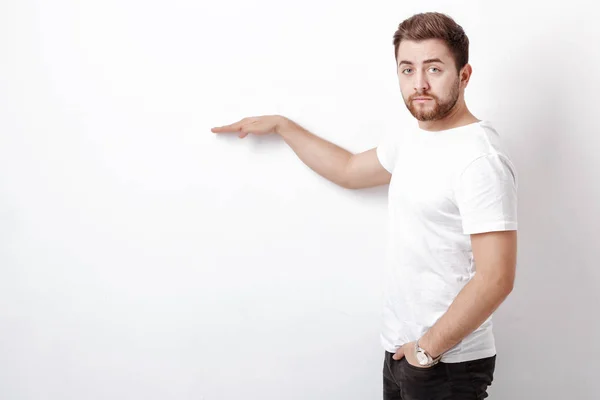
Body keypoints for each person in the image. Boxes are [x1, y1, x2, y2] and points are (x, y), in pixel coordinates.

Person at [211, 11, 517, 400]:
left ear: (464, 75)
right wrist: (282, 126)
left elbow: (496, 279)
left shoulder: (479, 158)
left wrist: (427, 350)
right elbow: (350, 169)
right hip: (403, 353)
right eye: (407, 70)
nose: (419, 83)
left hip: (447, 363)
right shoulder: (413, 139)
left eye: (434, 68)